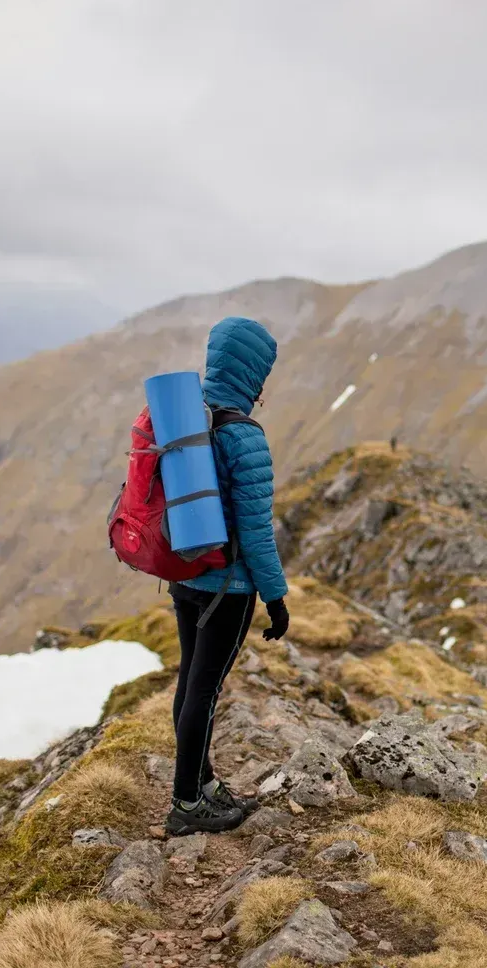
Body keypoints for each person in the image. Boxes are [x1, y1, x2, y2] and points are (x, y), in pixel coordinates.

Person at [164, 316, 291, 836]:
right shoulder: (244, 437)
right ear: (253, 373)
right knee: (205, 692)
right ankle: (188, 805)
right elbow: (257, 533)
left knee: (191, 684)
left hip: (185, 576)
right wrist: (276, 598)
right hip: (228, 588)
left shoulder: (184, 421)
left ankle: (203, 783)